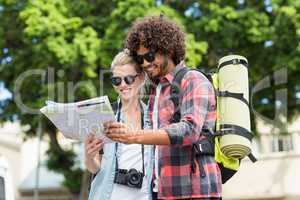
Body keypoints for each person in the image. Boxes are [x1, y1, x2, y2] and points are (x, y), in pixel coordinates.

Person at [104, 15, 222, 200]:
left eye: (150, 56)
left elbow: (189, 130)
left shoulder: (193, 80)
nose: (145, 63)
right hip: (164, 192)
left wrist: (133, 135)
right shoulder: (157, 90)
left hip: (195, 191)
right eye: (139, 58)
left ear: (167, 48)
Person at [85, 49, 153, 200]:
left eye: (128, 79)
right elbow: (95, 168)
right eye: (117, 80)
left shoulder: (154, 118)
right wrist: (89, 156)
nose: (122, 85)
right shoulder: (103, 117)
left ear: (141, 78)